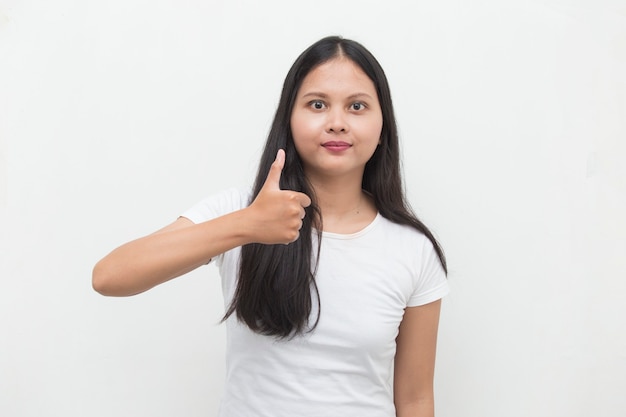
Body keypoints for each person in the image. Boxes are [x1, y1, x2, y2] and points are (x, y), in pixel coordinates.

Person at [93, 35, 450, 417]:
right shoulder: (238, 212)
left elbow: (414, 399)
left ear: (382, 127)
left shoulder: (412, 248)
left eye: (357, 106)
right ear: (290, 119)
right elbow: (109, 276)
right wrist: (246, 225)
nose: (337, 123)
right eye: (317, 104)